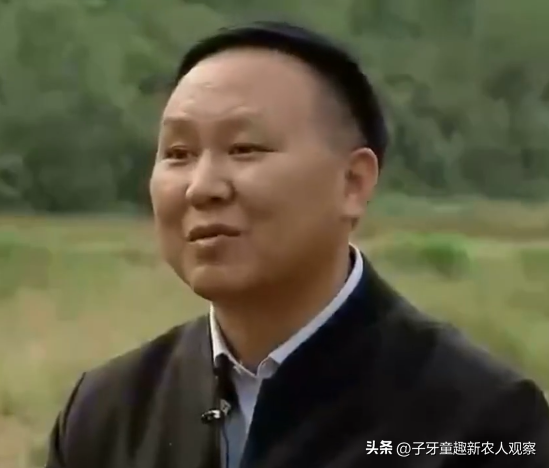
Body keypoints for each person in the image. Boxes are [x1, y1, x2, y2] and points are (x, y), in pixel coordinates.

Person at [45, 21, 549, 468]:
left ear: (353, 183)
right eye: (178, 153)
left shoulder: (485, 421)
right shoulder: (105, 411)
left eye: (244, 148)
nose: (202, 187)